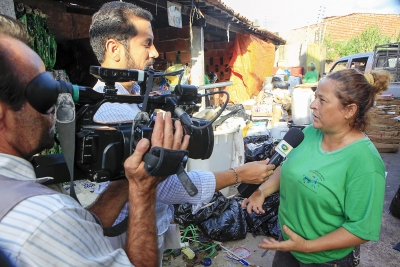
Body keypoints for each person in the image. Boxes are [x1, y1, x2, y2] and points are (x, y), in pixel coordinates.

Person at [88, 1, 276, 263]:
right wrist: (238, 174)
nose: (154, 51)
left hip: (149, 223)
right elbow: (166, 186)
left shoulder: (132, 98)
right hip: (126, 234)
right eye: (146, 43)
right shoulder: (110, 112)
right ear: (114, 48)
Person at [0, 16, 190, 267]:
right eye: (42, 89)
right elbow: (59, 224)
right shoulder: (45, 219)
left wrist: (127, 182)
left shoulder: (18, 189)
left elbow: (80, 229)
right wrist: (144, 190)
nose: (56, 101)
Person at [242, 68, 391, 266]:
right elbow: (290, 168)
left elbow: (361, 229)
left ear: (349, 110)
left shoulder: (365, 163)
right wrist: (262, 191)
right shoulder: (309, 133)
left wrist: (306, 246)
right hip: (288, 245)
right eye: (315, 98)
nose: (313, 105)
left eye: (322, 100)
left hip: (326, 260)